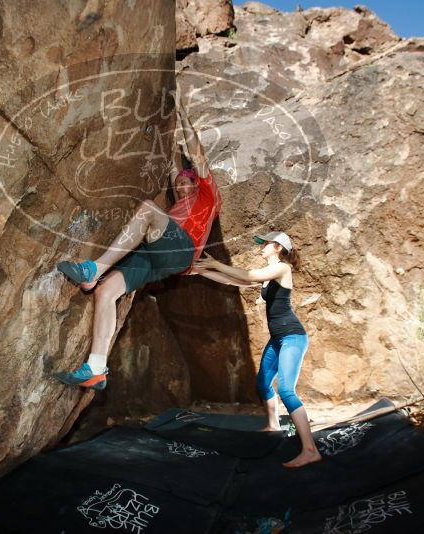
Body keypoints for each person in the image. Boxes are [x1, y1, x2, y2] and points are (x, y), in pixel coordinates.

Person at [54, 96, 222, 390]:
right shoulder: (177, 205)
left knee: (147, 210)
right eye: (179, 183)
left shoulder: (208, 196)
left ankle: (93, 270)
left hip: (182, 250)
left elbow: (196, 155)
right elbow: (172, 159)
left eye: (188, 182)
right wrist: (163, 125)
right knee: (106, 293)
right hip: (157, 259)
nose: (182, 186)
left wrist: (181, 109)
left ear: (198, 182)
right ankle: (96, 368)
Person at [194, 232, 321, 468]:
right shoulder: (268, 275)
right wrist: (203, 272)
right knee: (263, 383)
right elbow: (235, 281)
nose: (261, 247)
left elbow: (248, 274)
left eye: (265, 244)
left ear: (277, 247)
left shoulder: (282, 269)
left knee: (285, 389)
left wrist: (214, 263)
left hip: (293, 337)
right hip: (278, 339)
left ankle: (310, 450)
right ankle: (273, 424)